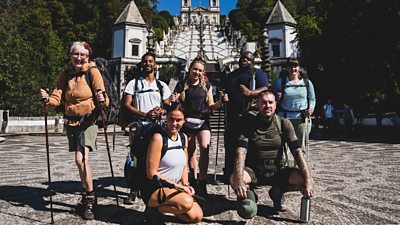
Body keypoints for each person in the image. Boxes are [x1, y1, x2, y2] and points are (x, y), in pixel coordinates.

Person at [39, 41, 108, 220]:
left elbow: (104, 99)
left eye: (82, 55)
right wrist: (47, 99)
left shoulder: (93, 72)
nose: (79, 58)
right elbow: (57, 96)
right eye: (75, 54)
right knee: (80, 162)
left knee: (81, 159)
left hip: (89, 122)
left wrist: (102, 99)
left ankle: (90, 200)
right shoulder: (66, 74)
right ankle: (88, 194)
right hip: (71, 123)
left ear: (88, 57)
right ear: (70, 55)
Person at [230, 90, 313, 218]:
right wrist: (239, 180)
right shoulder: (248, 124)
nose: (267, 106)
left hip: (277, 170)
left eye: (270, 102)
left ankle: (277, 192)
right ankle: (250, 196)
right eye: (263, 102)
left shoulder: (284, 123)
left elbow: (297, 152)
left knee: (302, 180)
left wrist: (308, 179)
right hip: (253, 171)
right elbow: (240, 152)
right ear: (257, 105)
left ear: (275, 105)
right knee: (234, 180)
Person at [172, 58, 227, 198]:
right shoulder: (182, 84)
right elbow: (174, 102)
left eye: (200, 70)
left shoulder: (206, 85)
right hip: (187, 121)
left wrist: (220, 102)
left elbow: (211, 105)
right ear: (190, 69)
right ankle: (194, 179)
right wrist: (175, 100)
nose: (197, 72)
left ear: (203, 73)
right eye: (195, 69)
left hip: (202, 120)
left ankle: (202, 180)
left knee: (204, 147)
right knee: (190, 152)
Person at [123, 52, 171, 203]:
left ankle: (152, 188)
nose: (148, 64)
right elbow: (126, 105)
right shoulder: (134, 83)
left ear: (155, 65)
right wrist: (145, 114)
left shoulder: (161, 85)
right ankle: (133, 189)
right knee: (136, 159)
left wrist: (160, 111)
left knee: (154, 158)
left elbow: (168, 107)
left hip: (156, 128)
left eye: (151, 61)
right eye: (145, 61)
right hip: (138, 126)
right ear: (141, 64)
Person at [142, 104, 203, 223]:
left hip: (174, 188)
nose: (174, 124)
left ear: (184, 120)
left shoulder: (183, 137)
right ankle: (153, 209)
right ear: (166, 119)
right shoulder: (158, 138)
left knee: (196, 216)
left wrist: (185, 185)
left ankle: (163, 208)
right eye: (171, 119)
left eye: (178, 120)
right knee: (186, 203)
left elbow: (184, 166)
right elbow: (151, 174)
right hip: (155, 189)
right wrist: (178, 187)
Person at [222, 51, 268, 181]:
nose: (244, 60)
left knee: (250, 144)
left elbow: (265, 88)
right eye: (242, 58)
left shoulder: (257, 73)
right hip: (232, 115)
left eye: (248, 59)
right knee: (231, 144)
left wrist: (251, 92)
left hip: (251, 114)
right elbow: (224, 89)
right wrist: (223, 97)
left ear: (252, 61)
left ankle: (250, 173)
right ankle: (230, 172)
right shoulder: (231, 76)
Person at [273, 59, 316, 157]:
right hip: (284, 118)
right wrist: (277, 98)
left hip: (302, 118)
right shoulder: (280, 82)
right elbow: (272, 100)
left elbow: (312, 98)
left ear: (299, 67)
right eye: (290, 66)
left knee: (301, 148)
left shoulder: (307, 83)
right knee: (283, 147)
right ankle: (284, 169)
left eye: (295, 66)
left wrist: (311, 109)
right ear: (287, 68)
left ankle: (300, 170)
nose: (293, 69)